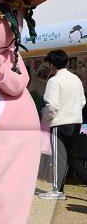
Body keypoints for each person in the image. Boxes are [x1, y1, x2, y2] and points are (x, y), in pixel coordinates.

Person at [38, 49, 86, 200]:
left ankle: (57, 190)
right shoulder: (76, 79)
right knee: (72, 157)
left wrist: (46, 117)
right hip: (76, 121)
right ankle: (60, 188)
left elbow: (51, 105)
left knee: (59, 157)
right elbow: (83, 101)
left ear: (51, 64)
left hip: (60, 123)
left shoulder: (54, 80)